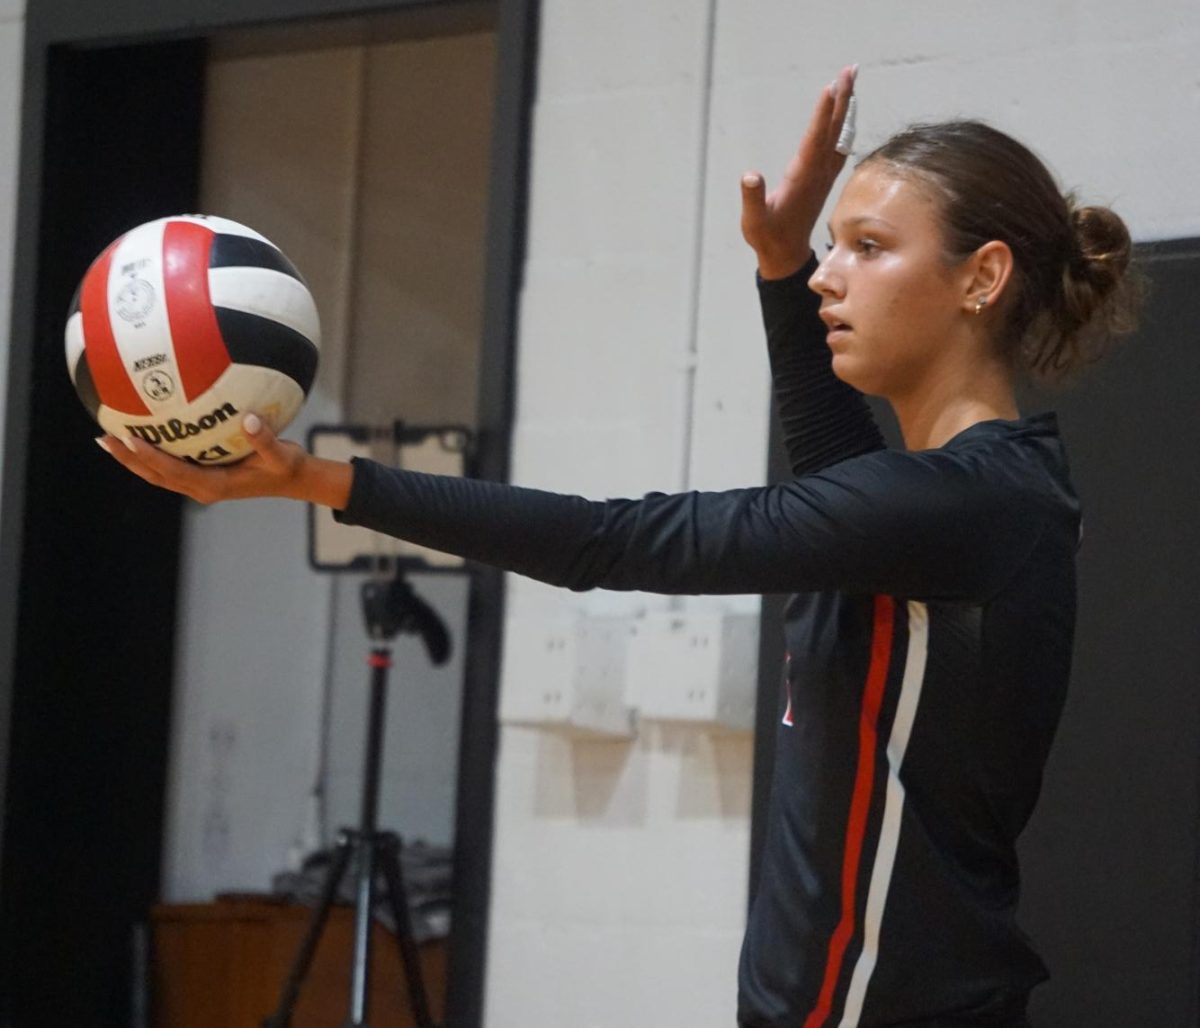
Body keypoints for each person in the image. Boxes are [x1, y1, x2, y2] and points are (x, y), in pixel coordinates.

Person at [99, 65, 1140, 1027]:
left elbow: (617, 539)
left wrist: (317, 476)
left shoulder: (966, 501)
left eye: (868, 247)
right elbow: (829, 458)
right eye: (833, 246)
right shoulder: (937, 501)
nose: (833, 276)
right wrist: (780, 263)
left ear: (983, 276)